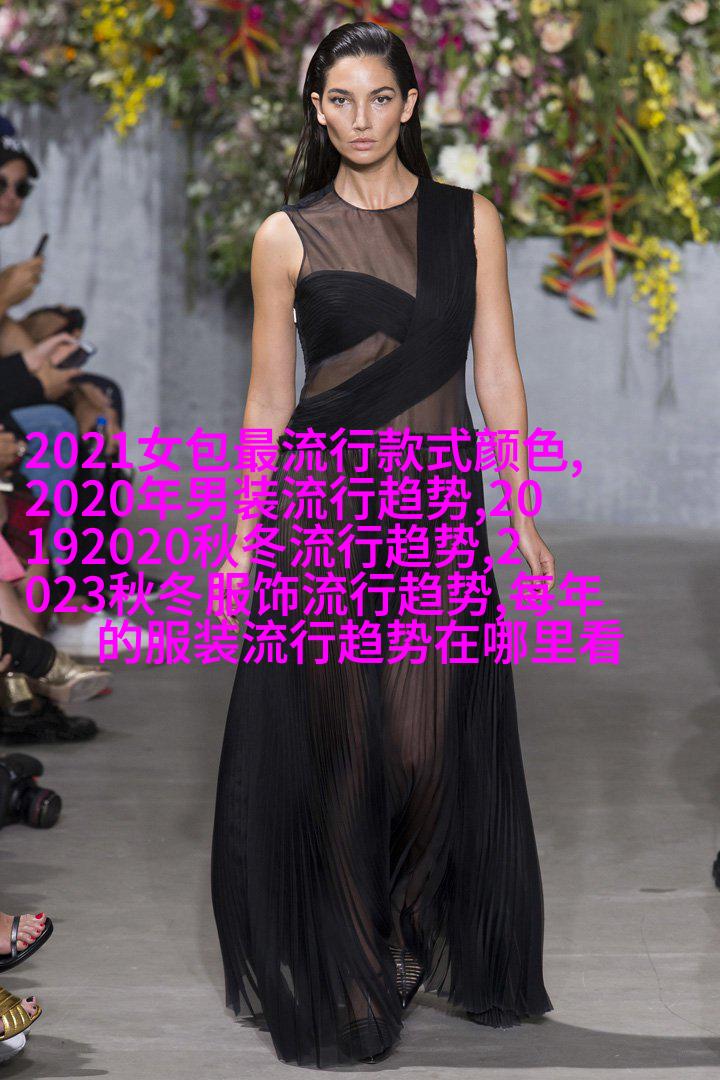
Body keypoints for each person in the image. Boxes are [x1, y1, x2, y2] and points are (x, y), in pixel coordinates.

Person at [210, 22, 555, 1068]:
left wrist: (520, 508)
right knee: (347, 749)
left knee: (426, 744)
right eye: (340, 99)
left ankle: (404, 920)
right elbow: (268, 397)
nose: (360, 118)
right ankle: (354, 966)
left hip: (437, 510)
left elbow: (496, 369)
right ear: (318, 110)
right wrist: (241, 538)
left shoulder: (468, 220)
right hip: (323, 512)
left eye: (378, 98)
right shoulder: (286, 236)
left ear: (409, 104)